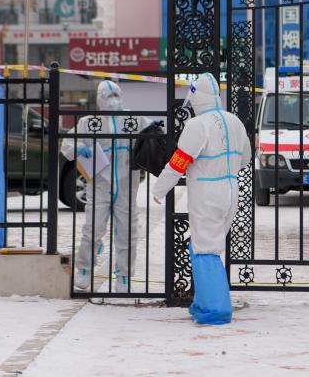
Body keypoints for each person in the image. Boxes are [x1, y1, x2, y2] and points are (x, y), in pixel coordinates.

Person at [152, 73, 252, 325]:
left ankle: (216, 309)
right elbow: (246, 158)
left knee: (205, 250)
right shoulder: (234, 121)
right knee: (202, 246)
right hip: (230, 191)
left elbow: (178, 163)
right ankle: (202, 301)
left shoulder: (198, 125)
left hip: (207, 195)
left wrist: (159, 189)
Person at [61, 80, 153, 290]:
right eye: (108, 96)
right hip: (99, 183)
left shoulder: (134, 119)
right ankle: (84, 269)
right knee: (93, 228)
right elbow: (67, 143)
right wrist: (79, 148)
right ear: (99, 99)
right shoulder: (89, 121)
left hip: (127, 184)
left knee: (127, 230)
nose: (113, 101)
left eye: (116, 95)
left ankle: (123, 275)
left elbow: (155, 135)